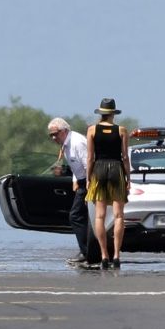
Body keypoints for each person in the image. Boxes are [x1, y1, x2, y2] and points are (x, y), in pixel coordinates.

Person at [86, 98, 129, 269]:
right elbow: (125, 157)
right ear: (113, 113)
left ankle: (104, 255)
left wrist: (89, 178)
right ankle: (117, 255)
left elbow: (90, 157)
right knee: (119, 215)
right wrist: (128, 178)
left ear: (101, 113)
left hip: (99, 169)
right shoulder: (121, 130)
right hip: (116, 168)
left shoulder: (91, 130)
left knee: (99, 216)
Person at [48, 117, 97, 269]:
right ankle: (89, 252)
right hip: (82, 181)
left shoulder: (77, 142)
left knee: (76, 216)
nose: (54, 138)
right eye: (51, 135)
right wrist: (75, 180)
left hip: (90, 181)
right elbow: (75, 165)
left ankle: (87, 253)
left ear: (64, 131)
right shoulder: (66, 144)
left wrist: (89, 184)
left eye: (56, 134)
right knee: (82, 217)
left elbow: (89, 162)